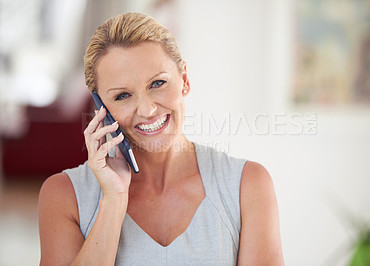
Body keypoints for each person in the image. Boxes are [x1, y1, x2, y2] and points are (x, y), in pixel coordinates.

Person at [38, 12, 284, 265]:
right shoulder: (63, 195)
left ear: (184, 81)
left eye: (157, 83)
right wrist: (114, 199)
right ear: (101, 108)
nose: (147, 110)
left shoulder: (247, 185)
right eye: (122, 96)